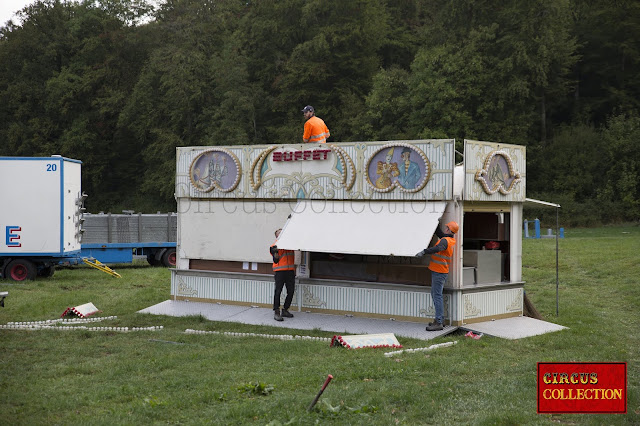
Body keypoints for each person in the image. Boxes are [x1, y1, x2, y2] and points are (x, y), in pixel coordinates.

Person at [416, 221, 459, 331]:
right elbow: (440, 234)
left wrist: (424, 251)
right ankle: (439, 320)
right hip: (440, 271)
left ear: (449, 230)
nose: (445, 229)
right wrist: (436, 221)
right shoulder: (449, 239)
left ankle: (439, 322)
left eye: (446, 228)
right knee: (436, 294)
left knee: (437, 295)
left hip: (439, 272)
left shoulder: (445, 242)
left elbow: (438, 248)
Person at [270, 228, 296, 321]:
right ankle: (276, 312)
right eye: (280, 233)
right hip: (280, 271)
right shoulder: (274, 245)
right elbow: (275, 259)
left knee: (291, 290)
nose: (282, 234)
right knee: (278, 291)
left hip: (290, 271)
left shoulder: (290, 244)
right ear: (277, 236)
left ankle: (285, 310)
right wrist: (276, 251)